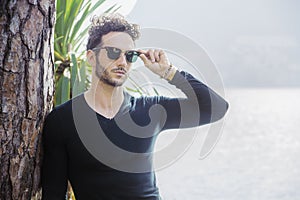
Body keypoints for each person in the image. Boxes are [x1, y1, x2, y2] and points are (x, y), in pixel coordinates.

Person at [42, 13, 229, 200]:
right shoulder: (63, 121)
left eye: (129, 55)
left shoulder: (150, 109)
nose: (122, 62)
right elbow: (53, 194)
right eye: (113, 52)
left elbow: (216, 108)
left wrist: (169, 73)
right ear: (91, 57)